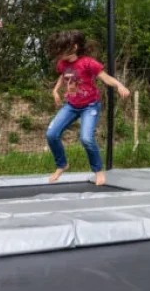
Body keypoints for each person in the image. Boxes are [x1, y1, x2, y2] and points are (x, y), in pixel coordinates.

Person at [46, 30, 130, 186]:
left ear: (74, 47)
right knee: (51, 134)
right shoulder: (62, 63)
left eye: (61, 50)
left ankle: (98, 171)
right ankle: (62, 165)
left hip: (90, 106)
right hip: (71, 105)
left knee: (86, 138)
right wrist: (55, 90)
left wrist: (119, 85)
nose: (58, 54)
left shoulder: (88, 63)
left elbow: (105, 78)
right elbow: (62, 75)